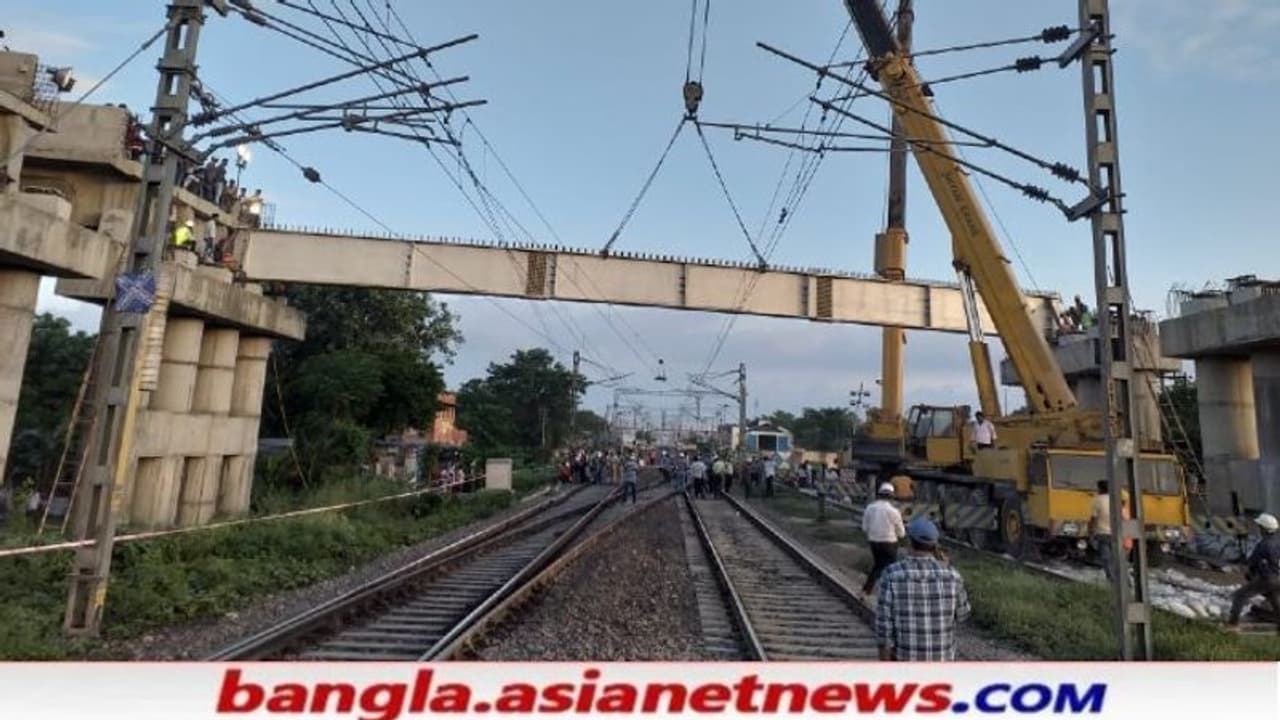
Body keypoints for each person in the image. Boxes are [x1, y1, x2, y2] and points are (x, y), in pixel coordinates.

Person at [875, 516, 971, 661]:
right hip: (943, 662)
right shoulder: (953, 576)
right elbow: (963, 615)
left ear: (909, 542)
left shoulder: (891, 574)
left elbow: (884, 628)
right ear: (935, 545)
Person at [1227, 513, 1280, 631]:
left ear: (1263, 529)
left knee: (1239, 596)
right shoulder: (1278, 542)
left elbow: (1252, 562)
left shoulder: (1263, 544)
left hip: (1267, 579)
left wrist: (1248, 571)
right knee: (1274, 598)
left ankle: (1232, 624)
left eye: (1260, 526)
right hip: (1278, 578)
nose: (1258, 529)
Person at [862, 482, 906, 594]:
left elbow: (864, 528)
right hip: (890, 543)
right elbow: (901, 533)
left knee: (878, 565)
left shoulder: (869, 508)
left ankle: (867, 590)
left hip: (874, 542)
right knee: (889, 568)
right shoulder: (894, 512)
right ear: (891, 496)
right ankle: (890, 592)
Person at [1088, 480, 1133, 585]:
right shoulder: (1118, 500)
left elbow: (1093, 519)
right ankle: (1126, 581)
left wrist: (1090, 532)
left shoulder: (1097, 500)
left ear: (1100, 489)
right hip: (1119, 534)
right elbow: (1125, 517)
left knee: (1106, 558)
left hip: (1102, 534)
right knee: (1119, 559)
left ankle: (1112, 580)